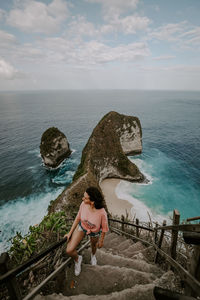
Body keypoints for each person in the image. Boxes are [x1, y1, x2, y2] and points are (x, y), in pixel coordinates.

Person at [64, 186, 109, 276]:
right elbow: (77, 218)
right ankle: (78, 259)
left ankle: (93, 256)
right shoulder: (83, 204)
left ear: (92, 201)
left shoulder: (102, 213)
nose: (82, 198)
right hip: (82, 227)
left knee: (93, 245)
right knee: (69, 250)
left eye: (85, 198)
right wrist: (70, 232)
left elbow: (104, 228)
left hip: (94, 232)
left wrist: (101, 241)